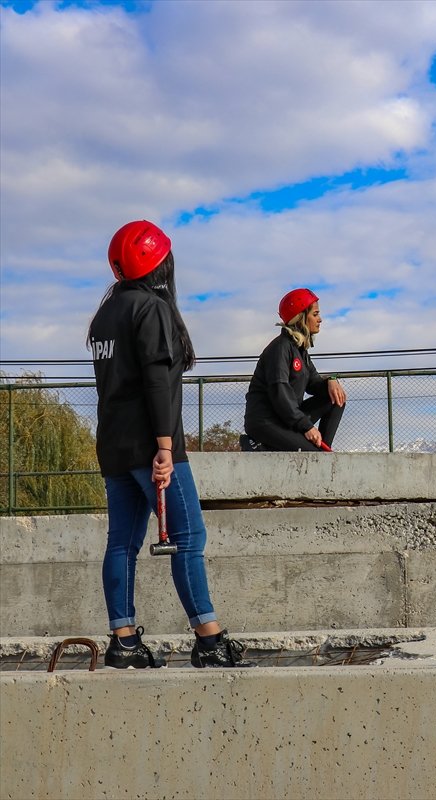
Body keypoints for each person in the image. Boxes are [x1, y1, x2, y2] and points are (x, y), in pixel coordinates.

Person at [88, 220, 253, 668]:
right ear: (160, 262)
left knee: (121, 542)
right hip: (151, 445)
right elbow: (158, 381)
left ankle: (123, 642)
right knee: (189, 537)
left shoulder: (106, 314)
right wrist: (164, 447)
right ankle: (210, 639)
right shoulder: (152, 308)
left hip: (113, 445)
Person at [242, 288, 347, 452]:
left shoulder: (300, 351)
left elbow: (315, 385)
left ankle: (323, 451)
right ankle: (259, 443)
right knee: (312, 455)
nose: (320, 319)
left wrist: (331, 380)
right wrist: (306, 427)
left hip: (285, 418)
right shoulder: (280, 347)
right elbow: (280, 392)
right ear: (301, 317)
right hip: (266, 422)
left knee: (335, 397)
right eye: (315, 314)